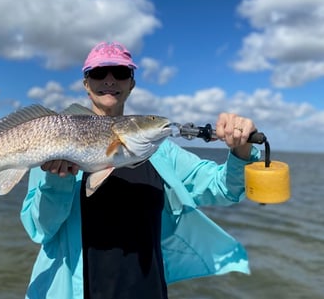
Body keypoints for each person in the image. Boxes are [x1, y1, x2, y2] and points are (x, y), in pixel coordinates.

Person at [20, 41, 260, 299]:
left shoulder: (163, 152)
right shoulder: (53, 144)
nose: (110, 80)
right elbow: (41, 229)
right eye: (99, 73)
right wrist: (57, 181)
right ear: (86, 84)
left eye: (121, 73)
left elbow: (225, 188)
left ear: (131, 83)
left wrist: (241, 151)